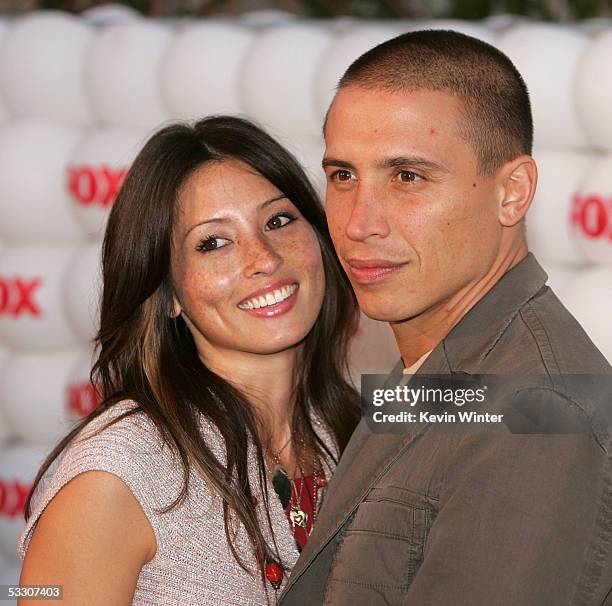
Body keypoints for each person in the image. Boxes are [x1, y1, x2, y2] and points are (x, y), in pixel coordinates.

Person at [278, 30, 612, 605]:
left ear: (513, 192)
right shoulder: (442, 370)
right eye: (343, 176)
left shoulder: (542, 410)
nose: (360, 223)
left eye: (407, 177)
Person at [17, 116, 360, 605]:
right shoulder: (121, 473)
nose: (262, 257)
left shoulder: (349, 429)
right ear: (169, 292)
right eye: (213, 243)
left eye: (279, 220)